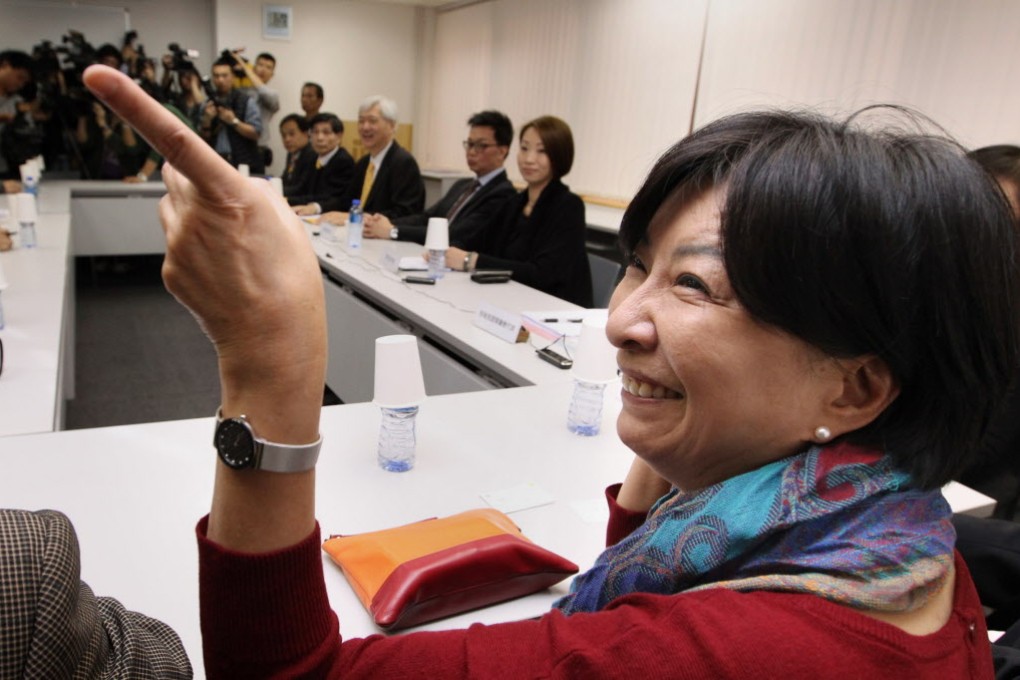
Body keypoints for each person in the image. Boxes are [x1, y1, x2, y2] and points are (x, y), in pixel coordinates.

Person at [87, 66, 1014, 678]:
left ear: (854, 387)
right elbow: (641, 582)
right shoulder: (897, 538)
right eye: (640, 266)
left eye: (694, 285)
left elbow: (289, 674)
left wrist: (267, 363)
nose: (620, 319)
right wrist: (677, 424)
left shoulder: (731, 653)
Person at [446, 115, 592, 306]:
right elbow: (475, 241)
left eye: (542, 151)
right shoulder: (514, 202)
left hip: (554, 309)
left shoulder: (569, 206)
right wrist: (451, 250)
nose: (529, 159)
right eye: (524, 148)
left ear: (559, 155)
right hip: (511, 300)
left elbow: (542, 274)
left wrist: (470, 260)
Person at [363, 110, 516, 246]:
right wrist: (382, 222)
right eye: (469, 144)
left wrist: (392, 231)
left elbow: (454, 234)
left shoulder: (503, 194)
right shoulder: (462, 185)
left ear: (502, 151)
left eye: (481, 145)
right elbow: (426, 218)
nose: (471, 151)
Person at [309, 95, 424, 220]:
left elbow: (405, 213)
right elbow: (345, 202)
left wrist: (355, 217)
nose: (365, 127)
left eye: (372, 121)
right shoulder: (363, 163)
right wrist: (316, 207)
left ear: (391, 126)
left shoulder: (403, 163)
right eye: (361, 121)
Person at [198, 56, 263, 174]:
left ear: (233, 77)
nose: (220, 80)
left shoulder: (246, 101)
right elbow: (201, 141)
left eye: (224, 75)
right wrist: (207, 121)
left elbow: (256, 133)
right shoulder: (207, 104)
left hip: (242, 163)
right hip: (214, 162)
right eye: (216, 76)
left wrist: (234, 121)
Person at [286, 113, 354, 209]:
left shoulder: (343, 161)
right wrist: (278, 193)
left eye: (326, 132)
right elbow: (301, 188)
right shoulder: (312, 157)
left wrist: (289, 200)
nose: (319, 138)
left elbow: (328, 197)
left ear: (339, 136)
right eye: (315, 132)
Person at [232, 51, 279, 169]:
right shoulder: (242, 91)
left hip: (258, 149)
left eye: (268, 67)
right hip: (238, 148)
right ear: (254, 68)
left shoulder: (272, 95)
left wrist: (245, 68)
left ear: (272, 74)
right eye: (260, 65)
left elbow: (264, 91)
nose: (263, 70)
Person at [0, 50, 32, 180]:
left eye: (24, 82)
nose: (20, 84)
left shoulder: (17, 102)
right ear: (5, 65)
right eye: (19, 77)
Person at [278, 113, 315, 197]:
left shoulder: (312, 155)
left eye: (291, 134)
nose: (287, 139)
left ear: (306, 133)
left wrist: (275, 190)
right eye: (283, 135)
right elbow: (286, 179)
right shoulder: (292, 153)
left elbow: (302, 189)